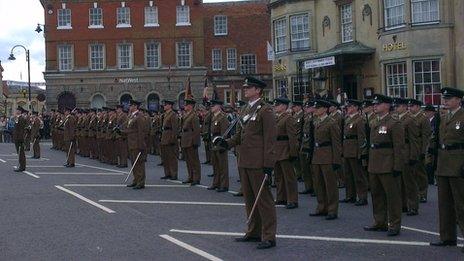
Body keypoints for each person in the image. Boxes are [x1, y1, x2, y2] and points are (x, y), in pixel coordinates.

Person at [214, 76, 277, 249]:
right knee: (250, 199)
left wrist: (268, 164)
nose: (246, 89)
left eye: (249, 87)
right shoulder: (245, 110)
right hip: (245, 160)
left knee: (263, 199)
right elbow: (240, 135)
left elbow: (270, 139)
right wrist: (226, 143)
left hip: (258, 162)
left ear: (258, 90)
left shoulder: (266, 110)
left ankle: (269, 235)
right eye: (246, 87)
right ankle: (254, 232)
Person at [364, 94, 404, 236]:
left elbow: (399, 147)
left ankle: (394, 224)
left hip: (388, 164)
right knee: (377, 195)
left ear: (387, 105)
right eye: (374, 104)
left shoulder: (394, 122)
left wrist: (397, 166)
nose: (375, 106)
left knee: (392, 197)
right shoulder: (374, 121)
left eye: (378, 104)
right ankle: (379, 221)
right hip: (375, 162)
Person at [430, 87, 464, 251]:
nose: (445, 101)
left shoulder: (462, 116)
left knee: (461, 203)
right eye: (444, 98)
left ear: (459, 100)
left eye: (449, 98)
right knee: (444, 204)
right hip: (443, 162)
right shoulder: (443, 117)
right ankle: (447, 237)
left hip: (458, 163)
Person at [310, 99, 342, 220]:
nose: (316, 110)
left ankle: (332, 209)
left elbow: (336, 143)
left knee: (330, 185)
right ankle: (321, 207)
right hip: (318, 155)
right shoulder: (316, 121)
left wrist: (336, 160)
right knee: (319, 184)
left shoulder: (331, 123)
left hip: (328, 155)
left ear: (324, 109)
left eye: (318, 108)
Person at [340, 99, 368, 206]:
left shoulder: (359, 120)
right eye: (348, 107)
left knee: (358, 175)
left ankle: (362, 197)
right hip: (347, 149)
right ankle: (350, 195)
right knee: (348, 175)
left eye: (351, 107)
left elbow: (361, 137)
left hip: (355, 150)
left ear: (356, 107)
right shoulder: (347, 119)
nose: (348, 109)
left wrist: (361, 152)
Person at [273, 97, 299, 209]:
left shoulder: (288, 118)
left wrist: (293, 153)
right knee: (279, 177)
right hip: (277, 150)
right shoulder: (276, 118)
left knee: (289, 177)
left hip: (285, 150)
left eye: (277, 105)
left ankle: (292, 199)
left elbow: (292, 137)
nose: (275, 107)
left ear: (284, 106)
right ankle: (281, 197)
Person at [408, 99, 432, 203]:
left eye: (412, 106)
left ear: (418, 107)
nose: (410, 108)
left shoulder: (423, 119)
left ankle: (423, 193)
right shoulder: (410, 118)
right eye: (409, 106)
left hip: (419, 148)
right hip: (411, 149)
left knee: (420, 173)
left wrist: (423, 152)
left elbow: (426, 136)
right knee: (412, 173)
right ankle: (415, 193)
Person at [207, 99, 229, 192]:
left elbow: (225, 133)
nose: (211, 107)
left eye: (213, 106)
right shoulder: (214, 117)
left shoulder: (223, 117)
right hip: (213, 142)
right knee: (215, 165)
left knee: (222, 166)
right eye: (211, 106)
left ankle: (224, 185)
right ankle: (216, 183)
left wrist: (222, 145)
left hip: (220, 143)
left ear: (219, 106)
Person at [124, 100, 146, 189]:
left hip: (137, 143)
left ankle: (141, 182)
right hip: (131, 142)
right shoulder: (131, 116)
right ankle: (136, 180)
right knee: (134, 162)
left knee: (139, 163)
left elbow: (141, 132)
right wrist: (121, 131)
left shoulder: (139, 116)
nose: (129, 107)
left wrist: (141, 145)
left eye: (131, 106)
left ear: (135, 106)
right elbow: (130, 129)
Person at [180, 98, 202, 185]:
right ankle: (190, 177)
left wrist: (196, 142)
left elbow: (196, 130)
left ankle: (196, 178)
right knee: (188, 160)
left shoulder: (194, 116)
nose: (184, 106)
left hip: (191, 141)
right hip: (186, 139)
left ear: (190, 106)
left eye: (186, 105)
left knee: (194, 161)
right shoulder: (186, 115)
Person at [160, 100, 179, 180]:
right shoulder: (165, 114)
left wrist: (173, 139)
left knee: (172, 157)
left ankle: (173, 174)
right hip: (164, 136)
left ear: (170, 106)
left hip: (170, 136)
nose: (164, 106)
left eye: (165, 105)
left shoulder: (173, 115)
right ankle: (167, 173)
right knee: (165, 157)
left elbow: (175, 128)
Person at [13, 107, 28, 172]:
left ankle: (22, 166)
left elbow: (22, 129)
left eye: (17, 110)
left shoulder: (21, 118)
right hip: (17, 137)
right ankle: (21, 165)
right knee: (19, 152)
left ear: (20, 111)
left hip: (19, 138)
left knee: (21, 153)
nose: (16, 111)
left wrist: (21, 138)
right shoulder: (18, 118)